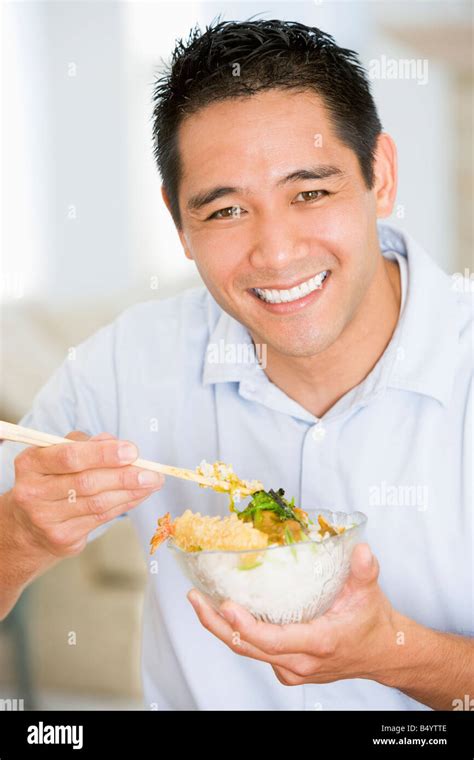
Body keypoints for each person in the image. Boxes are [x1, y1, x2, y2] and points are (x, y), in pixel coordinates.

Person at [1, 19, 472, 711]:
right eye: (225, 211)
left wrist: (397, 653)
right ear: (179, 223)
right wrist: (20, 534)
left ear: (382, 176)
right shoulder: (126, 366)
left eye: (310, 192)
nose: (276, 253)